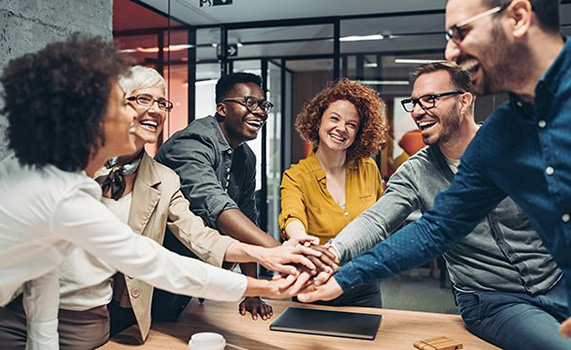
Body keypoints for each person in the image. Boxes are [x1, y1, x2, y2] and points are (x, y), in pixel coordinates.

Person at [0, 34, 301, 350]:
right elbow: (154, 263)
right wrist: (260, 283)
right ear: (92, 118)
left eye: (161, 102)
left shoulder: (72, 181)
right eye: (126, 102)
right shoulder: (58, 189)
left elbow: (43, 279)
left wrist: (264, 262)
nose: (140, 113)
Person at [298, 0, 571, 342]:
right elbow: (431, 228)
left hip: (556, 283)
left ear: (517, 17)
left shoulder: (502, 135)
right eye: (414, 102)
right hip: (495, 300)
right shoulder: (501, 137)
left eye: (461, 32)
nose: (451, 50)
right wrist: (339, 269)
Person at [155, 72, 335, 319]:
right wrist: (280, 251)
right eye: (250, 103)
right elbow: (217, 206)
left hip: (195, 273)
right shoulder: (192, 142)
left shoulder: (246, 157)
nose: (260, 111)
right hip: (158, 272)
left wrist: (252, 292)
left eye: (263, 105)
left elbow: (247, 218)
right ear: (221, 109)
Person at [278, 79, 386, 307]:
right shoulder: (296, 176)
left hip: (363, 284)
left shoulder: (369, 169)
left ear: (359, 132)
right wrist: (299, 239)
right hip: (314, 284)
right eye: (334, 118)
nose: (341, 129)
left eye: (351, 124)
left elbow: (379, 221)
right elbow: (292, 216)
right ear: (318, 122)